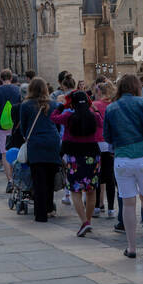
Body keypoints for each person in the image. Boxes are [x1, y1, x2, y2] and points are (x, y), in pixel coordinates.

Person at [102, 75, 143, 258]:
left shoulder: (111, 108)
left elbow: (107, 136)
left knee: (128, 203)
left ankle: (131, 247)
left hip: (122, 157)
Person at [51, 90, 104, 237]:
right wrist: (92, 105)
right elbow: (101, 121)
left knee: (75, 190)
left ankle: (84, 222)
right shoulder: (93, 115)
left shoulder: (69, 115)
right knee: (91, 190)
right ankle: (88, 221)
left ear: (72, 103)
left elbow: (53, 117)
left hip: (75, 156)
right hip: (93, 155)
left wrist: (63, 105)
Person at [18, 77, 62, 222]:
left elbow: (23, 128)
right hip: (52, 143)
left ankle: (41, 213)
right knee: (50, 178)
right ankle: (49, 208)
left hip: (36, 143)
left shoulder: (26, 105)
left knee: (38, 180)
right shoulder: (54, 104)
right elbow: (58, 125)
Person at [92, 81, 118, 221]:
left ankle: (96, 206)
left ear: (99, 92)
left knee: (97, 175)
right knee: (110, 177)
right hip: (110, 143)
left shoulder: (95, 106)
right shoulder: (114, 106)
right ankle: (111, 209)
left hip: (97, 142)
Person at [0, 69, 21, 186]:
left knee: (4, 153)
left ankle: (10, 180)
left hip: (1, 125)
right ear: (11, 78)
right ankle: (17, 178)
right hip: (15, 125)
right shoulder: (17, 89)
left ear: (1, 78)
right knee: (16, 151)